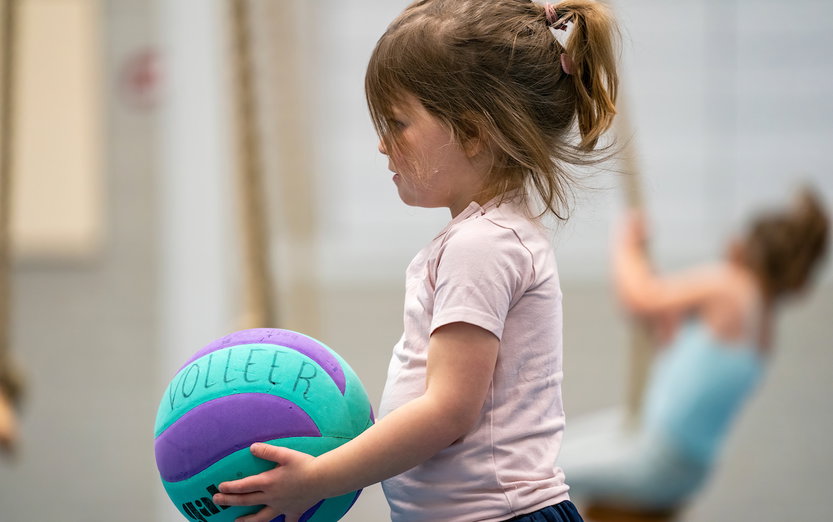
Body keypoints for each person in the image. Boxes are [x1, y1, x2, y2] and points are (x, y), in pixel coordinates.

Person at [212, 1, 620, 520]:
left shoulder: (482, 246)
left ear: (473, 133)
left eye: (399, 123)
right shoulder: (490, 235)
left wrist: (319, 477)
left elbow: (447, 410)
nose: (383, 145)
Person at [557, 187, 830, 516]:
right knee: (555, 456)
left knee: (543, 472)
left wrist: (624, 241)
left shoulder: (731, 286)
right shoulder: (764, 329)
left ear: (747, 248)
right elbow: (681, 355)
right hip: (686, 467)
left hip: (658, 455)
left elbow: (639, 298)